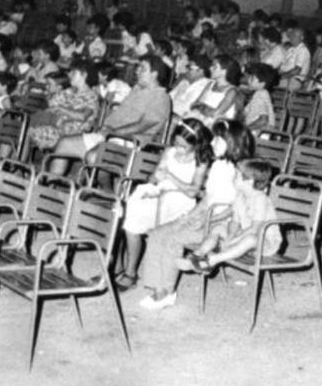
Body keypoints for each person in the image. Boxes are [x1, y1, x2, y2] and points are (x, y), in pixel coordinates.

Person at [138, 120, 254, 309]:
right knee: (158, 233)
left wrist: (204, 221)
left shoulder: (239, 172)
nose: (213, 142)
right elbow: (208, 199)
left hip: (221, 227)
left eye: (218, 139)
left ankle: (166, 291)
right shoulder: (217, 165)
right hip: (205, 218)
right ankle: (155, 286)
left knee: (173, 239)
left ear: (231, 143)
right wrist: (190, 216)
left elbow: (235, 209)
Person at [117, 118, 213, 291]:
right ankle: (118, 264)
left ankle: (130, 272)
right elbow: (154, 178)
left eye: (184, 146)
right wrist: (155, 179)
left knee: (132, 219)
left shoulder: (201, 160)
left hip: (180, 201)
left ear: (196, 144)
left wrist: (170, 177)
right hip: (161, 193)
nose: (179, 148)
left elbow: (193, 191)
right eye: (176, 143)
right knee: (124, 210)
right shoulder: (170, 151)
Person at [50, 55, 172, 171]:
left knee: (93, 157)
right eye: (138, 68)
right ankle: (50, 186)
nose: (137, 71)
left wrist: (113, 132)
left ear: (155, 74)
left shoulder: (161, 97)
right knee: (64, 143)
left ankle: (104, 190)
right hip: (109, 135)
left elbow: (143, 125)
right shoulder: (136, 90)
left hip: (130, 142)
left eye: (142, 69)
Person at [176, 159, 280, 274]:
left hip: (265, 243)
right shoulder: (240, 196)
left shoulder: (261, 199)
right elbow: (235, 222)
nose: (232, 178)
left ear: (250, 181)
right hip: (244, 236)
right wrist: (230, 236)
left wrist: (232, 242)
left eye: (236, 176)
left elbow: (255, 229)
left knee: (251, 239)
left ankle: (212, 261)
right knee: (219, 228)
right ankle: (197, 255)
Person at [23, 63, 100, 151]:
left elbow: (82, 116)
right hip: (56, 127)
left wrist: (61, 109)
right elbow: (51, 106)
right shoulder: (68, 92)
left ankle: (20, 162)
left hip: (72, 134)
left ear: (84, 75)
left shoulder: (91, 96)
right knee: (22, 127)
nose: (69, 75)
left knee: (27, 131)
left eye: (73, 73)